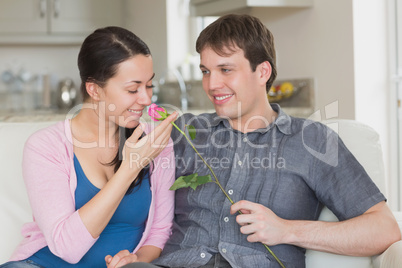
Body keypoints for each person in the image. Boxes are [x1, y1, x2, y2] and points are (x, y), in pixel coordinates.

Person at [123, 14, 401, 268]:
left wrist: (287, 230)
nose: (211, 85)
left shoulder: (312, 141)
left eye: (226, 70)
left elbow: (384, 228)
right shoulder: (183, 131)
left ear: (263, 72)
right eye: (206, 71)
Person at [0, 26, 177, 268]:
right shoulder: (46, 146)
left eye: (149, 86)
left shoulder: (156, 142)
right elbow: (66, 249)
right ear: (94, 89)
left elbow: (159, 230)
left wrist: (137, 260)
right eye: (133, 89)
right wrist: (129, 170)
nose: (146, 99)